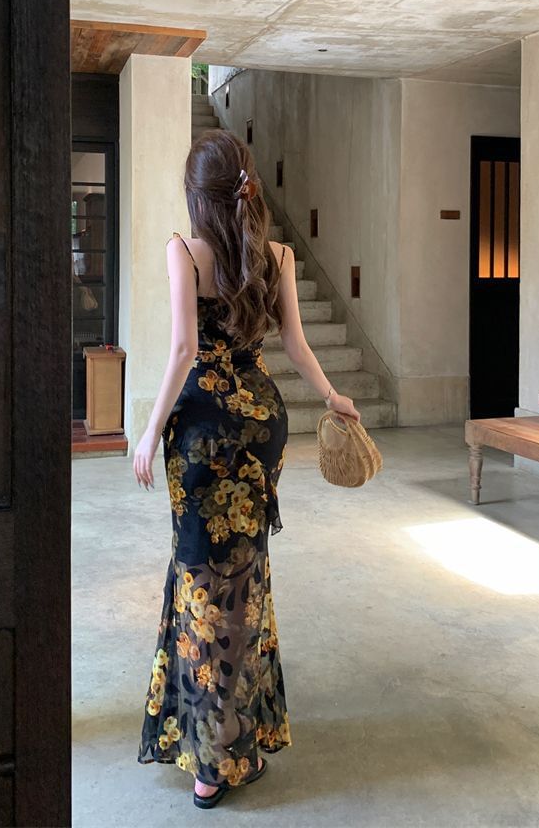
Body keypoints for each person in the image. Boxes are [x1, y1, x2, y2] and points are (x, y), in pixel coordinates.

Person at [134, 129, 360, 809]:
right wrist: (331, 396)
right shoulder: (279, 255)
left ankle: (211, 757)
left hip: (202, 431)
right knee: (244, 573)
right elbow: (295, 343)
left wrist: (149, 431)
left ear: (195, 195)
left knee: (198, 573)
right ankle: (241, 734)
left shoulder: (184, 252)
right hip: (261, 424)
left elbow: (183, 349)